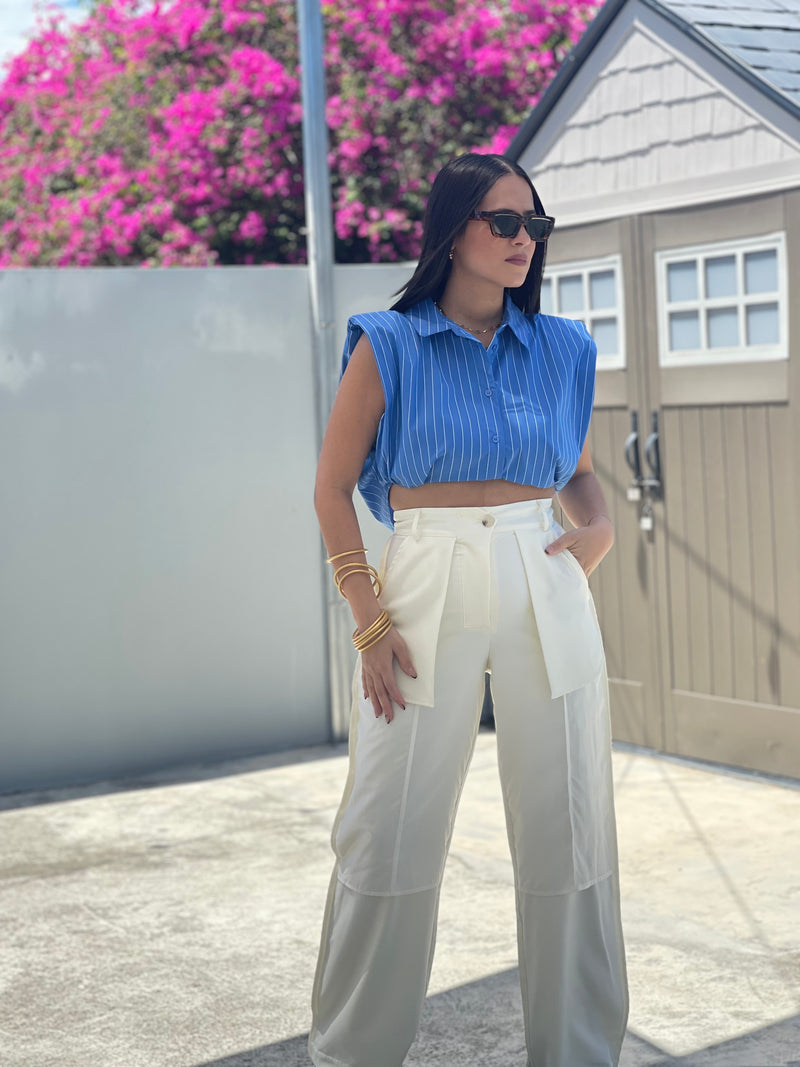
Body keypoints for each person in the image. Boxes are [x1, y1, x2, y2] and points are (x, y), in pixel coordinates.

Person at [309, 152, 629, 1067]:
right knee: (389, 828)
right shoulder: (387, 340)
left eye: (536, 225)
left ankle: (575, 1053)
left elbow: (574, 469)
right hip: (424, 579)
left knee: (570, 826)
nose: (524, 241)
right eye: (504, 222)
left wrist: (596, 530)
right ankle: (353, 1053)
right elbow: (333, 490)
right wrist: (368, 618)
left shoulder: (565, 347)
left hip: (543, 570)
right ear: (453, 232)